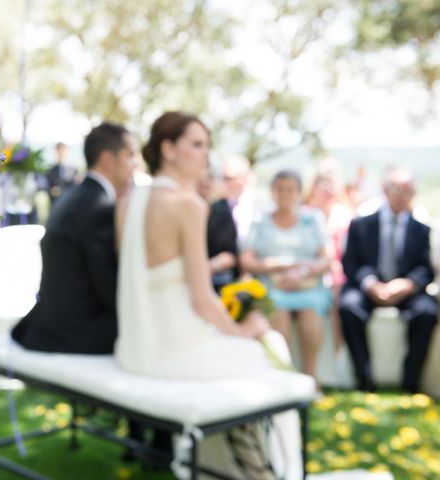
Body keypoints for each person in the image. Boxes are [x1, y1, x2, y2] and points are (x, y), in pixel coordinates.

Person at [115, 112, 306, 480]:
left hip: (134, 349)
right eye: (197, 144)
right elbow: (202, 301)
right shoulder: (188, 205)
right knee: (271, 349)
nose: (206, 155)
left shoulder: (128, 203)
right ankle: (270, 472)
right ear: (168, 149)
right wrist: (246, 329)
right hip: (174, 354)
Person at [12, 123, 135, 353]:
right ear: (108, 159)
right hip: (76, 331)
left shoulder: (76, 196)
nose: (135, 164)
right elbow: (108, 286)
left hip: (47, 323)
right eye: (130, 155)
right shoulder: (99, 206)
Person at [339, 167, 437, 393]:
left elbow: (425, 268)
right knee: (348, 306)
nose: (401, 194)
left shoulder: (421, 229)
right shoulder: (361, 224)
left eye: (407, 190)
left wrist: (407, 284)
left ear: (414, 193)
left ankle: (410, 382)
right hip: (369, 288)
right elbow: (351, 263)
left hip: (405, 291)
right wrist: (371, 283)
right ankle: (364, 379)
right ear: (385, 190)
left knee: (427, 311)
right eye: (396, 189)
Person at [240, 170, 332, 379]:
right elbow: (247, 260)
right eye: (280, 189)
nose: (285, 194)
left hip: (308, 287)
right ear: (273, 192)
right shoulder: (261, 221)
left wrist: (303, 271)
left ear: (299, 192)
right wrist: (275, 266)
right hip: (273, 288)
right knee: (278, 315)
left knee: (311, 316)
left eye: (290, 189)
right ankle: (284, 376)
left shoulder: (313, 219)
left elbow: (326, 258)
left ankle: (311, 377)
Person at [304, 167, 354, 355]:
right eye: (323, 184)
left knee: (339, 295)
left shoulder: (346, 215)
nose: (327, 190)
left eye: (331, 185)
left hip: (338, 274)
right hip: (310, 271)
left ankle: (339, 353)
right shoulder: (304, 214)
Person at [206, 162, 239, 290]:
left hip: (216, 279)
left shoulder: (221, 210)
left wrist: (209, 267)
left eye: (210, 177)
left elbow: (230, 254)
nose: (205, 182)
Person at [46, 142, 79, 206]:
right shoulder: (50, 171)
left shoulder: (74, 170)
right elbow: (47, 187)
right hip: (55, 203)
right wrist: (51, 191)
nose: (61, 152)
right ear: (56, 151)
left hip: (70, 202)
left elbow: (75, 187)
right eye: (59, 150)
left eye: (63, 150)